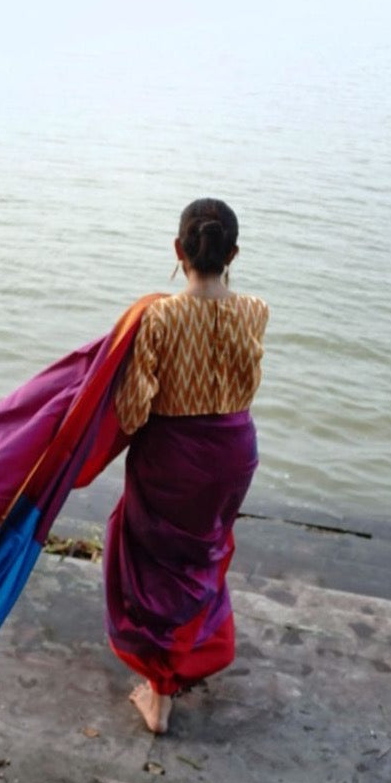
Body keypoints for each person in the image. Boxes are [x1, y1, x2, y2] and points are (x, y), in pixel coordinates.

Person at [103, 198, 270, 734]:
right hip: (234, 453)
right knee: (203, 556)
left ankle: (159, 693)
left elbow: (133, 410)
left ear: (179, 250)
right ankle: (185, 660)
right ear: (234, 253)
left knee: (152, 566)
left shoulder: (159, 317)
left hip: (173, 457)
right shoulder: (257, 310)